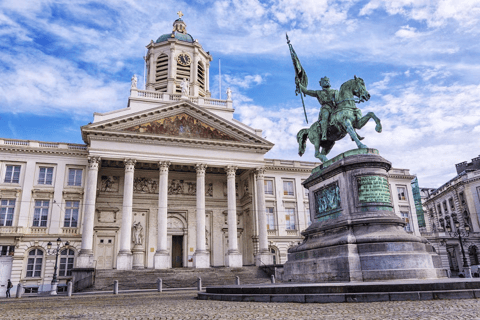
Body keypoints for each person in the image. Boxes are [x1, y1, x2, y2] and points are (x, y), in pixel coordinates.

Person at [298, 76, 338, 141]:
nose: (327, 82)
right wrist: (299, 84)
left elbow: (339, 100)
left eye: (328, 81)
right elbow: (306, 91)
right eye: (324, 81)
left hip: (334, 107)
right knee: (325, 117)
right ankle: (324, 134)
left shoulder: (335, 91)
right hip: (326, 108)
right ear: (321, 83)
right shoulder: (318, 92)